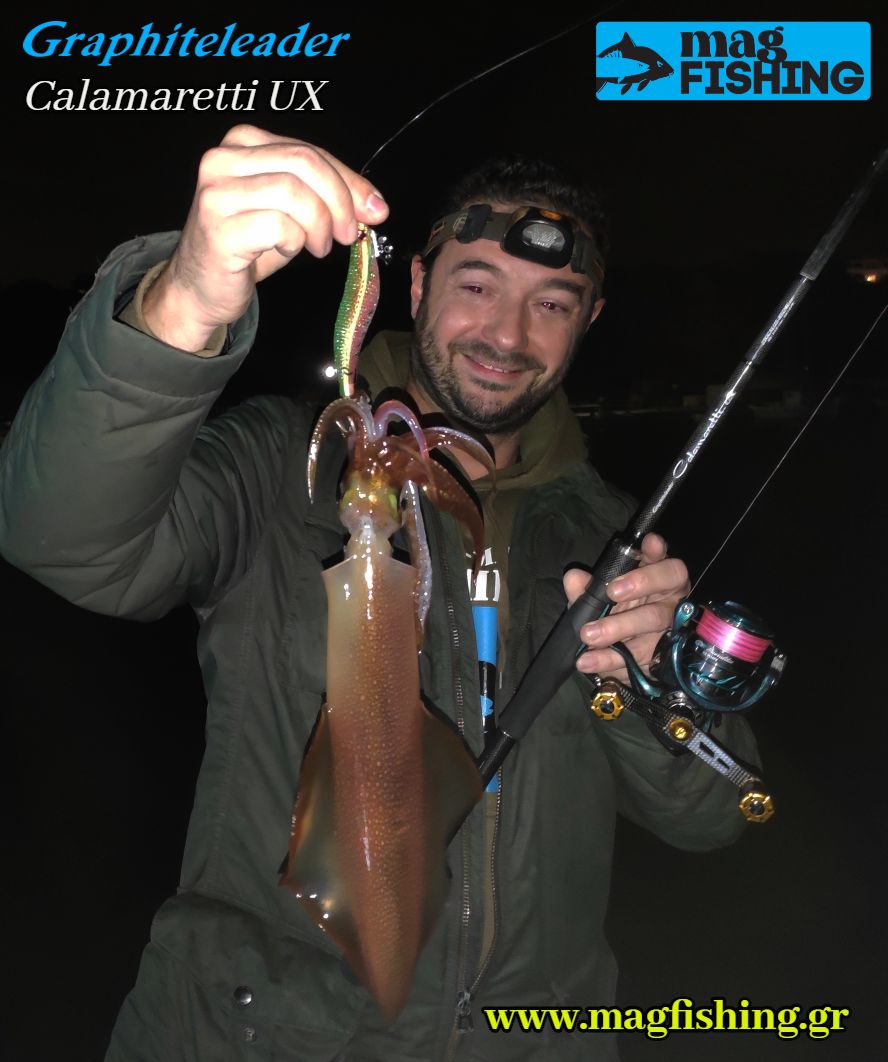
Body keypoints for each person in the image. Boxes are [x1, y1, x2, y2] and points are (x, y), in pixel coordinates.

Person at [0, 125, 757, 1061]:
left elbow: (718, 813)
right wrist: (183, 302)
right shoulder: (279, 462)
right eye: (477, 285)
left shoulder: (613, 541)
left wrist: (652, 691)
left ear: (589, 320)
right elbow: (62, 537)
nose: (507, 335)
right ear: (418, 284)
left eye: (552, 303)